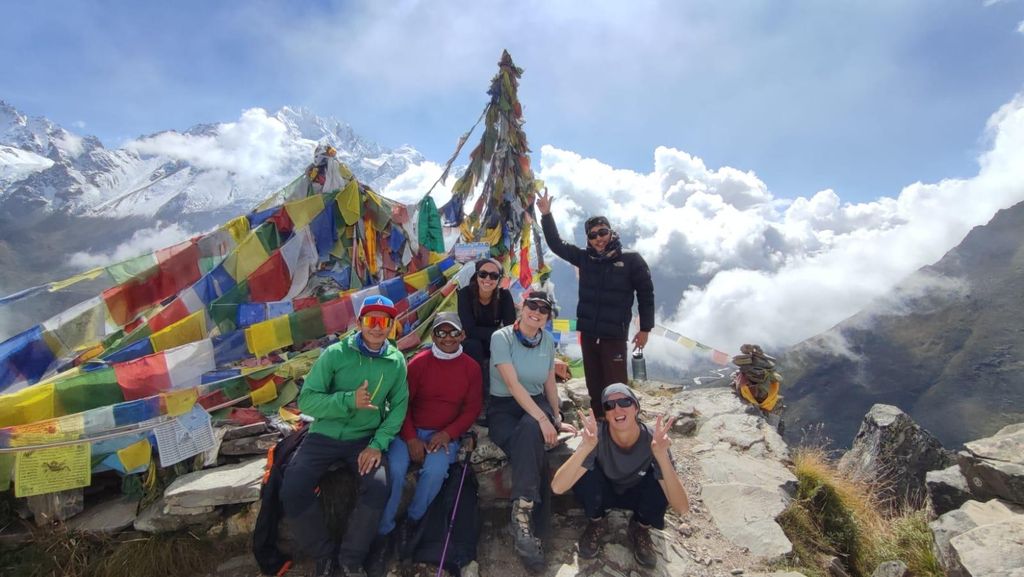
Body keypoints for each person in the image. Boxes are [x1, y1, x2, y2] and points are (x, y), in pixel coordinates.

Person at [280, 295, 409, 577]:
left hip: (364, 438)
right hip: (324, 434)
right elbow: (307, 402)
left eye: (384, 321)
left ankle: (351, 558)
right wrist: (349, 401)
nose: (377, 328)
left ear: (391, 326)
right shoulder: (335, 354)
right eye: (371, 320)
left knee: (377, 487)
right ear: (360, 323)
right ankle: (323, 555)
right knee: (293, 487)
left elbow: (399, 408)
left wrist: (377, 444)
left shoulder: (396, 361)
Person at [537, 189, 655, 418]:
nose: (599, 238)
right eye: (593, 235)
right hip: (589, 333)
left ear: (611, 232)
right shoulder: (584, 258)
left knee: (617, 385)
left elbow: (646, 294)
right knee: (594, 384)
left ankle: (624, 425)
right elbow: (556, 244)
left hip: (614, 334)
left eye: (603, 232)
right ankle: (601, 424)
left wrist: (645, 329)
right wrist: (546, 215)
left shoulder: (631, 260)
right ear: (587, 239)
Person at [376, 312, 483, 557]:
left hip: (443, 435)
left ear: (463, 335)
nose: (448, 338)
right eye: (441, 332)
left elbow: (472, 408)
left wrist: (449, 433)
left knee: (435, 472)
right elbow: (402, 404)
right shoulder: (418, 363)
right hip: (409, 431)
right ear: (433, 335)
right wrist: (411, 437)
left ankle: (412, 521)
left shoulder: (471, 368)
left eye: (454, 332)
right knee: (394, 469)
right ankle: (384, 530)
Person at [550, 384, 689, 568]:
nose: (617, 409)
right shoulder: (596, 437)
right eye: (610, 405)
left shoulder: (654, 441)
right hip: (606, 492)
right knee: (583, 471)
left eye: (625, 401)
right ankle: (597, 522)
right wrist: (584, 448)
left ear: (636, 408)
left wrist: (662, 457)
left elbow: (682, 508)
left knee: (661, 476)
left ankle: (641, 527)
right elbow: (557, 487)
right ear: (606, 415)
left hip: (639, 494)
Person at [487, 291, 577, 572]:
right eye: (532, 305)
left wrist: (556, 416)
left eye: (543, 309)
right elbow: (513, 385)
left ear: (548, 316)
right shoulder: (501, 338)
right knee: (531, 438)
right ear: (522, 307)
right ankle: (532, 526)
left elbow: (550, 382)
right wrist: (542, 420)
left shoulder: (547, 341)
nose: (536, 312)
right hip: (503, 406)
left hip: (537, 402)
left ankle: (522, 515)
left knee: (528, 431)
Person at [457, 258, 516, 397]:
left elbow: (510, 329)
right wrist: (497, 332)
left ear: (499, 279)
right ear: (476, 275)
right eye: (483, 274)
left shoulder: (505, 296)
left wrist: (493, 334)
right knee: (473, 345)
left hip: (494, 342)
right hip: (473, 343)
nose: (487, 279)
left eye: (494, 276)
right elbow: (469, 330)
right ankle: (477, 395)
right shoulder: (465, 294)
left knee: (504, 345)